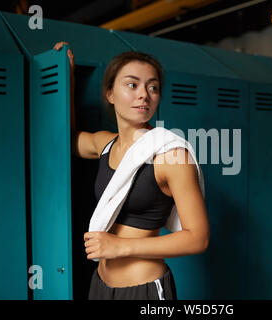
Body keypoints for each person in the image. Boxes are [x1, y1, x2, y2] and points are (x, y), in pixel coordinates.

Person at [53, 42, 210, 300]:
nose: (144, 95)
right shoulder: (106, 144)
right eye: (132, 84)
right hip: (100, 284)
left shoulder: (170, 155)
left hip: (145, 289)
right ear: (110, 94)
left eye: (153, 87)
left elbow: (198, 238)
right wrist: (66, 76)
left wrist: (120, 247)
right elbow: (68, 140)